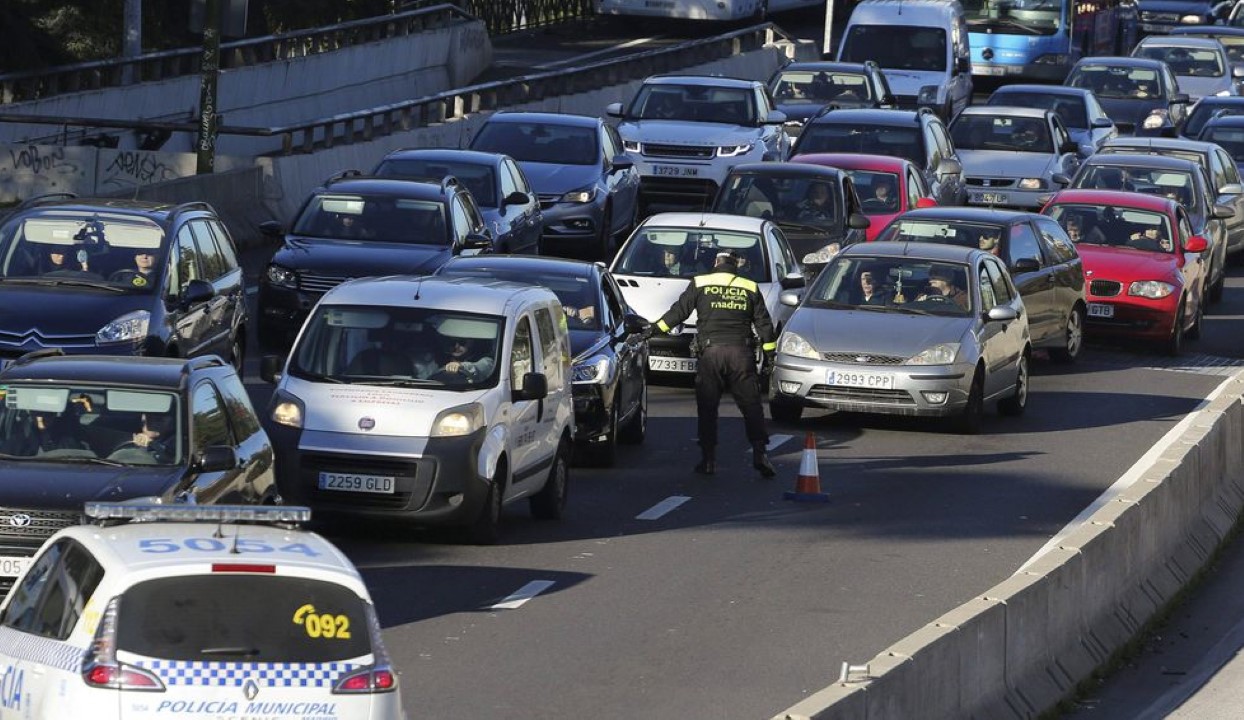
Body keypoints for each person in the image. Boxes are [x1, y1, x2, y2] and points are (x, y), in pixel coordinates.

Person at [643, 251, 777, 478]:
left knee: (708, 408)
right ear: (736, 266)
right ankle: (760, 453)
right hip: (740, 354)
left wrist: (653, 330)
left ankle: (708, 460)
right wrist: (770, 357)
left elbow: (678, 313)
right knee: (751, 406)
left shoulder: (700, 283)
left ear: (716, 263)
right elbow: (765, 325)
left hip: (710, 354)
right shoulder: (750, 287)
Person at [415, 328, 496, 382]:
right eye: (452, 343)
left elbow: (481, 367)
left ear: (472, 342)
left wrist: (462, 367)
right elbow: (423, 378)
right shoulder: (437, 360)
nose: (456, 346)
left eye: (462, 342)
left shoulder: (485, 360)